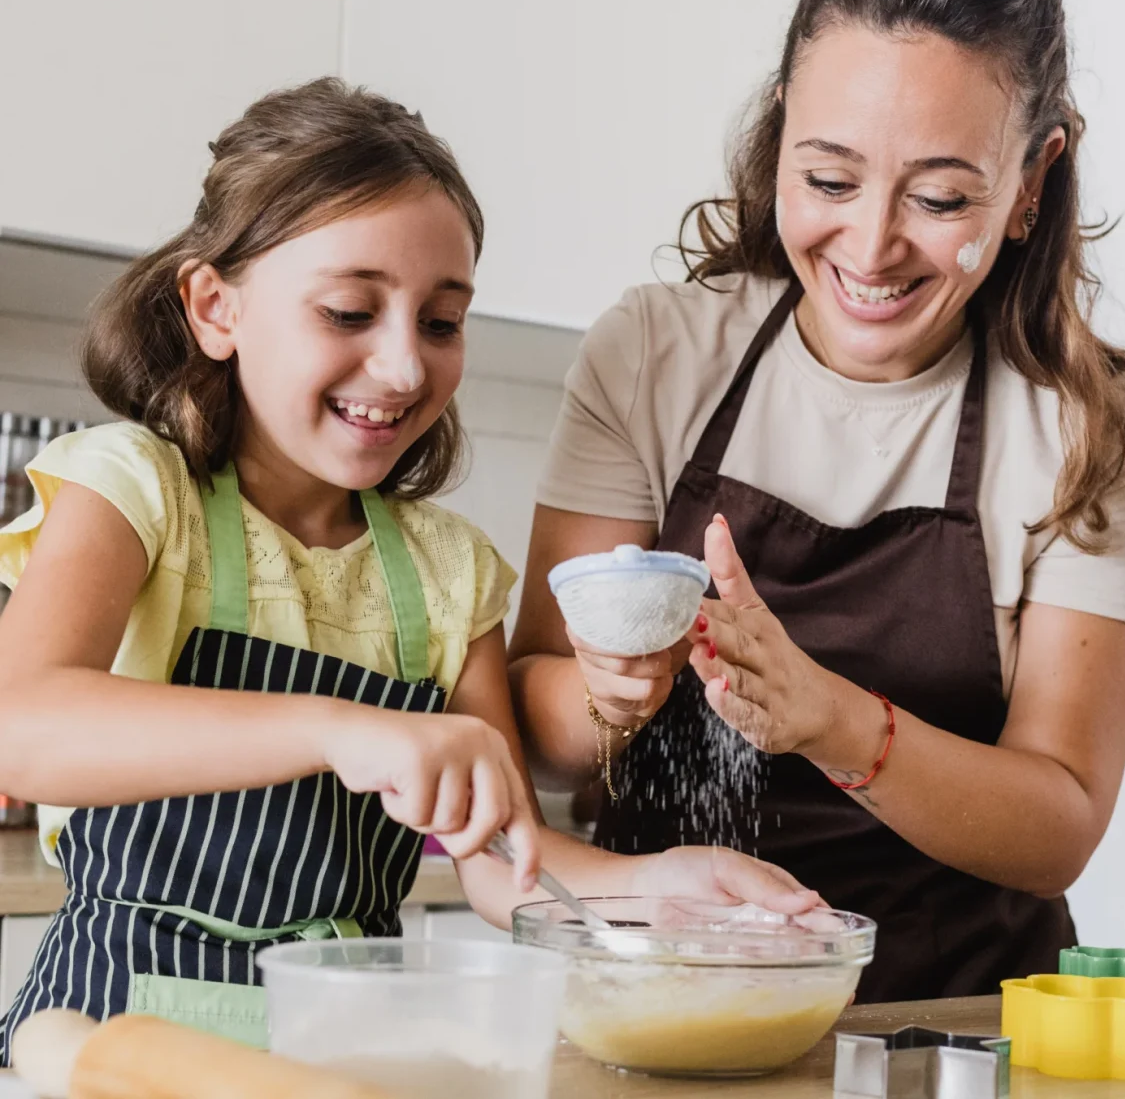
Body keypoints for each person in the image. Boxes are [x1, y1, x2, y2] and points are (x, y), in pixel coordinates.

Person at [0, 78, 819, 1061]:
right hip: (107, 1039)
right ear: (216, 307)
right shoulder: (135, 491)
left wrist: (668, 883)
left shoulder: (446, 573)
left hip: (336, 1052)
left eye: (440, 322)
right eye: (349, 311)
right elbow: (22, 727)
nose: (402, 368)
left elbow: (502, 861)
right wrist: (344, 732)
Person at [509, 0, 1125, 1002]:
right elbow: (541, 731)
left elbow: (1059, 823)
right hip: (655, 1007)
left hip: (953, 1021)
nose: (869, 247)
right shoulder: (654, 357)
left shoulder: (1089, 428)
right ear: (780, 140)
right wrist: (609, 692)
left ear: (1032, 180)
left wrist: (828, 716)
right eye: (829, 178)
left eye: (941, 198)